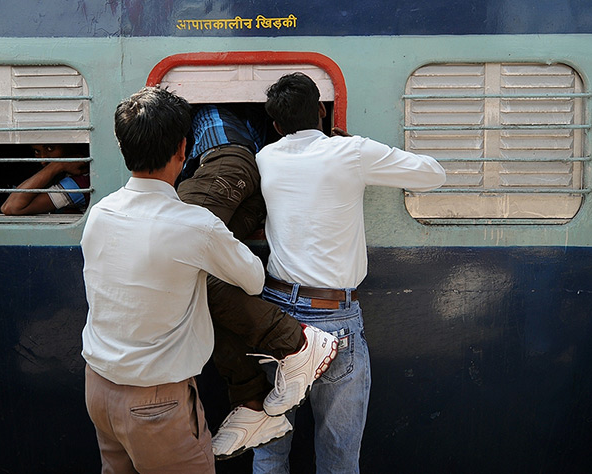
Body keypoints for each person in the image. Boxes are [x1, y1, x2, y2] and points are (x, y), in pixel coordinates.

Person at [252, 72, 447, 474]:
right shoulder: (351, 152)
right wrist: (350, 147)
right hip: (334, 318)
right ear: (321, 112)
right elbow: (433, 174)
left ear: (275, 125)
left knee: (270, 450)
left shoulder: (265, 157)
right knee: (339, 456)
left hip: (275, 316)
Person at [80, 87, 266, 473]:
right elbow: (253, 280)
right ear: (184, 149)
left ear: (122, 145)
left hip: (98, 390)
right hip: (157, 406)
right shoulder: (195, 225)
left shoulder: (100, 213)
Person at [176, 104, 340, 460]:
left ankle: (295, 343)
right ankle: (251, 402)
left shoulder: (211, 115)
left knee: (170, 245)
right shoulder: (259, 130)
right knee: (195, 279)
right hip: (249, 187)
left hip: (224, 160)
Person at [0, 144, 90, 215]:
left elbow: (11, 207)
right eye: (37, 151)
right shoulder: (60, 175)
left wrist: (58, 165)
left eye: (50, 148)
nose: (43, 159)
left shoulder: (79, 183)